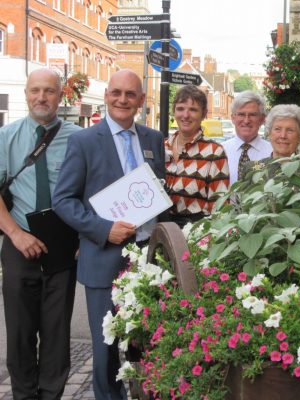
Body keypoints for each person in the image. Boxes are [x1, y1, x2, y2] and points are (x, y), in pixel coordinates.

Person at [52, 69, 165, 400]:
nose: (122, 100)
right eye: (116, 92)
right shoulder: (84, 141)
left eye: (130, 94)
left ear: (142, 100)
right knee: (106, 347)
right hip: (103, 258)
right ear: (106, 95)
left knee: (148, 339)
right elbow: (63, 200)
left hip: (147, 258)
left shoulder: (153, 139)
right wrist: (103, 229)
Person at [0, 68, 80, 399]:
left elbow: (92, 191)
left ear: (61, 96)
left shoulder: (80, 139)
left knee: (57, 334)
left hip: (63, 249)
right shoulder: (7, 136)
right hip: (19, 246)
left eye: (49, 91)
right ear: (26, 94)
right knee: (19, 334)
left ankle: (51, 395)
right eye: (35, 90)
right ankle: (23, 395)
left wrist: (83, 236)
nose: (41, 97)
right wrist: (16, 234)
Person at [165, 85, 229, 227]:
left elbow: (220, 206)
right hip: (158, 234)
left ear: (204, 114)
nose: (185, 115)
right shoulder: (161, 146)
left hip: (193, 235)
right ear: (173, 111)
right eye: (180, 108)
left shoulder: (214, 152)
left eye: (193, 110)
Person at [222, 90, 272, 185]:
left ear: (262, 119)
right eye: (241, 114)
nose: (246, 120)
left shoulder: (272, 153)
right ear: (233, 118)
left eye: (252, 115)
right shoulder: (220, 151)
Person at [243, 104, 300, 177]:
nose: (283, 136)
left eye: (290, 130)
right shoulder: (251, 170)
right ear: (269, 133)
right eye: (277, 129)